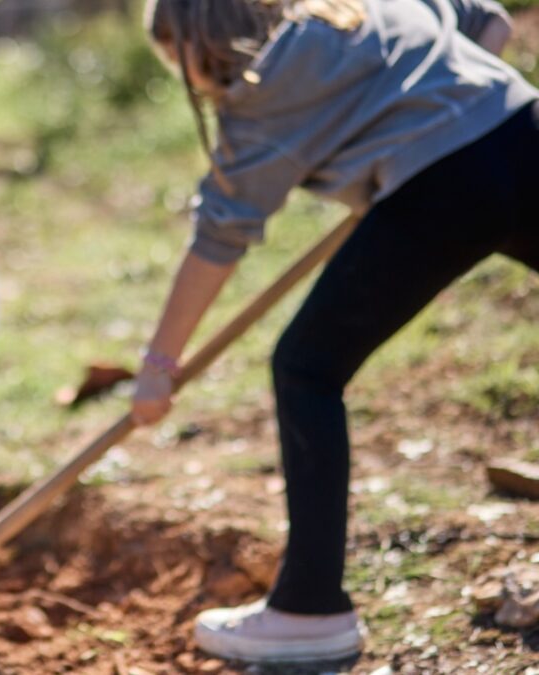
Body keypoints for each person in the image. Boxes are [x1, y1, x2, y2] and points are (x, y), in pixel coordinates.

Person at [134, 0, 535, 663]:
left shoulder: (258, 91)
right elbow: (487, 19)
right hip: (522, 126)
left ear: (193, 49)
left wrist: (158, 364)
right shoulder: (359, 7)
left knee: (306, 368)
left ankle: (308, 609)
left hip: (446, 187)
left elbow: (220, 236)